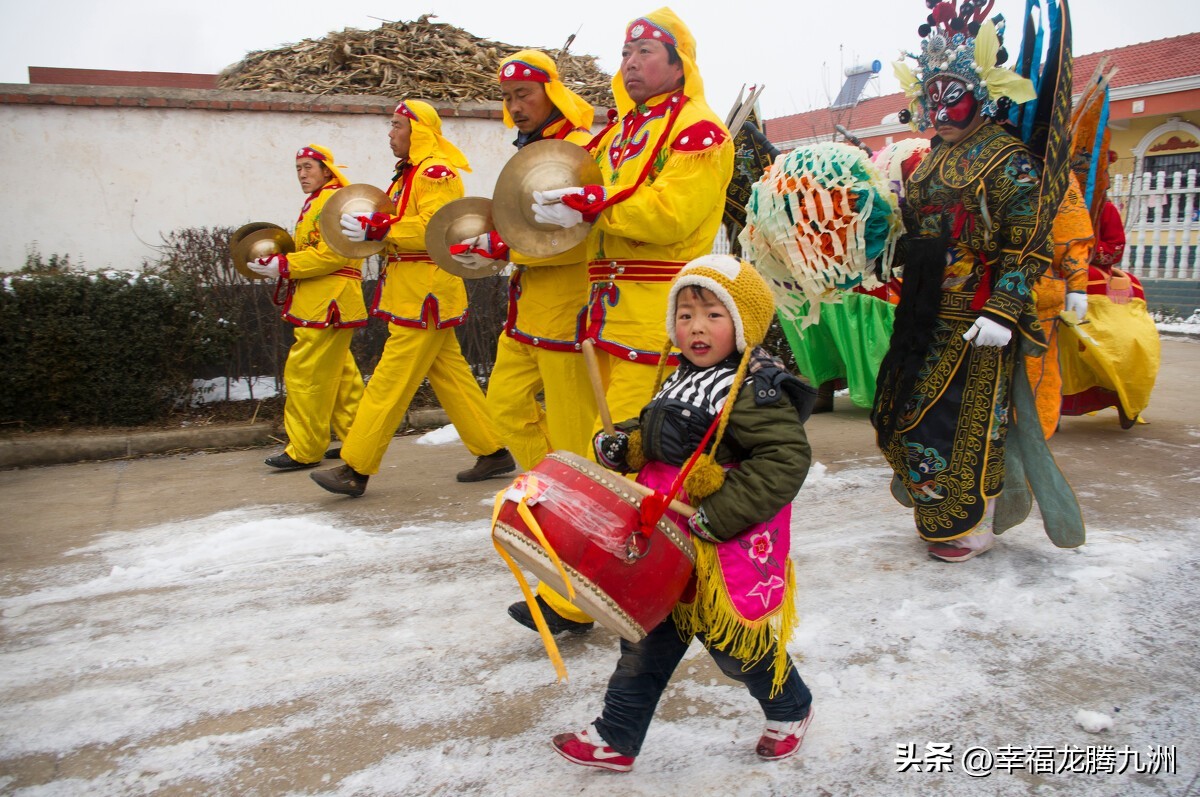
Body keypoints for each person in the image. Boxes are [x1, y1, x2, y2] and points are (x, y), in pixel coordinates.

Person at [509, 6, 735, 634]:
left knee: (629, 460)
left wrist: (593, 206)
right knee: (610, 456)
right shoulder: (617, 133)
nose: (631, 64)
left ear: (678, 63)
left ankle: (603, 596)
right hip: (604, 317)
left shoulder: (700, 131)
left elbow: (671, 212)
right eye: (626, 54)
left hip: (655, 317)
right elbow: (570, 183)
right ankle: (608, 587)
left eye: (645, 53)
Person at [551, 255, 815, 772]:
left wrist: (722, 513)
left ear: (743, 324)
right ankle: (616, 736)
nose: (696, 327)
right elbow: (655, 432)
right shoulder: (679, 377)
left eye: (714, 315)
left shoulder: (753, 389)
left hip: (715, 541)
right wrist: (622, 445)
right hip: (665, 538)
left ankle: (791, 708)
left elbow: (786, 458)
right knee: (645, 637)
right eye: (686, 314)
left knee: (734, 647)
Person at [873, 7, 1072, 561]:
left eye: (952, 96)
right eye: (931, 96)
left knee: (964, 419)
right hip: (925, 310)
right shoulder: (934, 158)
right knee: (906, 412)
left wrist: (1004, 308)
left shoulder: (1008, 160)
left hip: (978, 315)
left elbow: (1028, 237)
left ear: (982, 95)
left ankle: (970, 523)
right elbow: (918, 230)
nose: (939, 110)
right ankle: (939, 512)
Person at [309, 100, 514, 497]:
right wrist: (376, 227)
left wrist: (380, 229)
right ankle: (493, 451)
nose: (390, 133)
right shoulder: (409, 173)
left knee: (389, 382)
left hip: (425, 295)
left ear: (417, 130)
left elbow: (436, 227)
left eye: (396, 125)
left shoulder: (436, 172)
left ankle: (355, 467)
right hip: (416, 293)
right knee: (452, 377)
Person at [451, 50, 598, 473]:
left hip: (569, 309)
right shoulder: (530, 150)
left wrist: (505, 247)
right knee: (504, 406)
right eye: (507, 97)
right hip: (526, 310)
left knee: (573, 427)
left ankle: (574, 495)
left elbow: (585, 236)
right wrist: (490, 240)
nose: (515, 107)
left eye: (523, 94)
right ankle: (553, 483)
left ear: (551, 92)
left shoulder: (581, 150)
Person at [250, 144, 366, 470]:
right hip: (328, 300)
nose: (301, 174)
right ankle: (358, 442)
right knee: (342, 378)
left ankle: (305, 449)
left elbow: (333, 254)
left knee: (305, 374)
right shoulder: (325, 200)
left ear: (327, 170)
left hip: (327, 302)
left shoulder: (332, 201)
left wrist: (284, 265)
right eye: (298, 168)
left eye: (308, 167)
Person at [1024, 177, 1092, 438]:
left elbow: (1071, 229)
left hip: (1036, 293)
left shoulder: (1051, 168)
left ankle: (1029, 445)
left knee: (1032, 378)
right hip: (964, 292)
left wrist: (1077, 284)